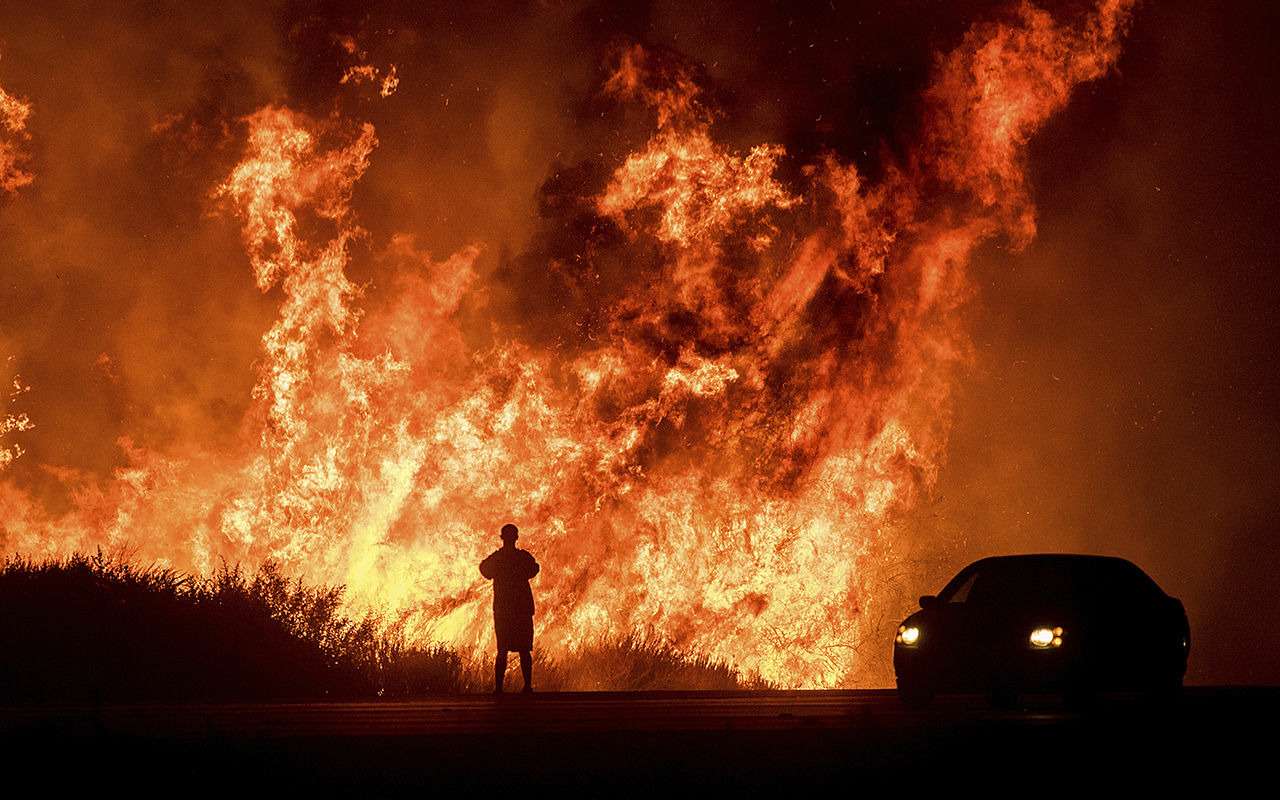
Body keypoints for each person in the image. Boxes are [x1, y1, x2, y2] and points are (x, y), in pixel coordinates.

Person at [479, 523, 540, 694]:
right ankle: (527, 686)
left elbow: (484, 570)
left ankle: (498, 689)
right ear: (516, 538)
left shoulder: (497, 558)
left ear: (502, 538)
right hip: (521, 610)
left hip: (504, 610)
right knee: (524, 650)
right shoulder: (522, 557)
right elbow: (534, 568)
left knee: (502, 650)